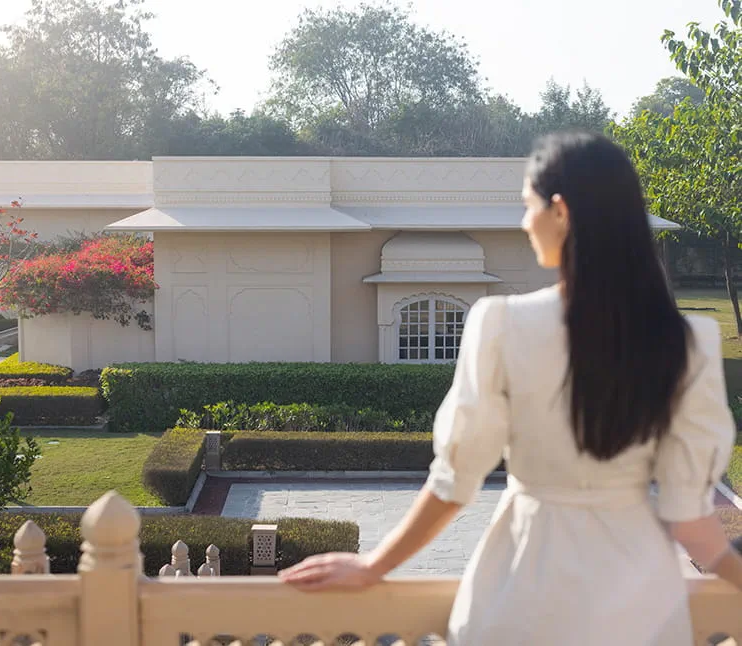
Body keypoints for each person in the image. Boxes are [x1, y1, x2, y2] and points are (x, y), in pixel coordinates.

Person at [279, 132, 742, 645]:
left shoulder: (502, 324)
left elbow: (456, 480)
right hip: (640, 607)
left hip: (525, 587)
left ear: (560, 210)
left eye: (528, 207)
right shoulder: (686, 342)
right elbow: (690, 520)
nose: (525, 223)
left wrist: (373, 564)